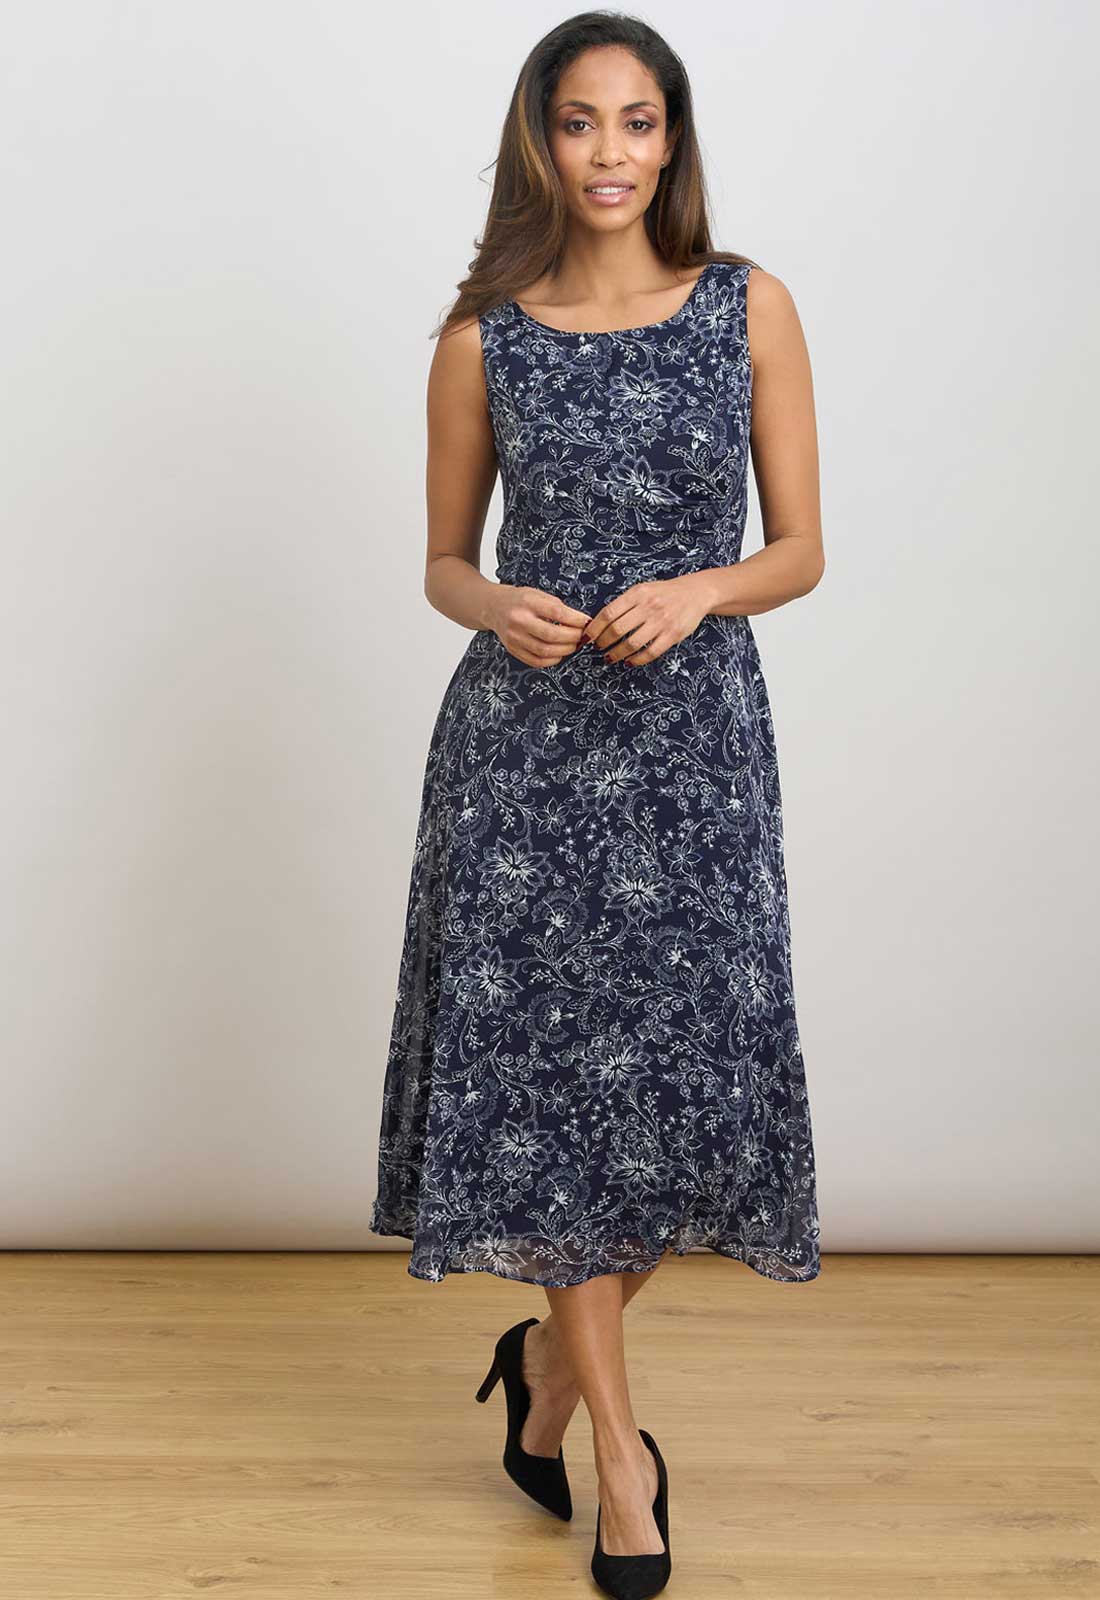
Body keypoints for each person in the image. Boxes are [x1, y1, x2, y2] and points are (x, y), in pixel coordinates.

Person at [370, 11, 824, 1596]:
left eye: (641, 123)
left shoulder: (746, 305)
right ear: (536, 141)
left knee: (678, 1100)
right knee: (552, 1098)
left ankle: (549, 1370)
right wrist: (496, 607)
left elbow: (801, 550)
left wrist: (700, 591)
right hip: (525, 759)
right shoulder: (479, 335)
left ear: (674, 141)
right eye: (581, 124)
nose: (613, 153)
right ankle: (624, 1474)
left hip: (693, 755)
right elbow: (440, 563)